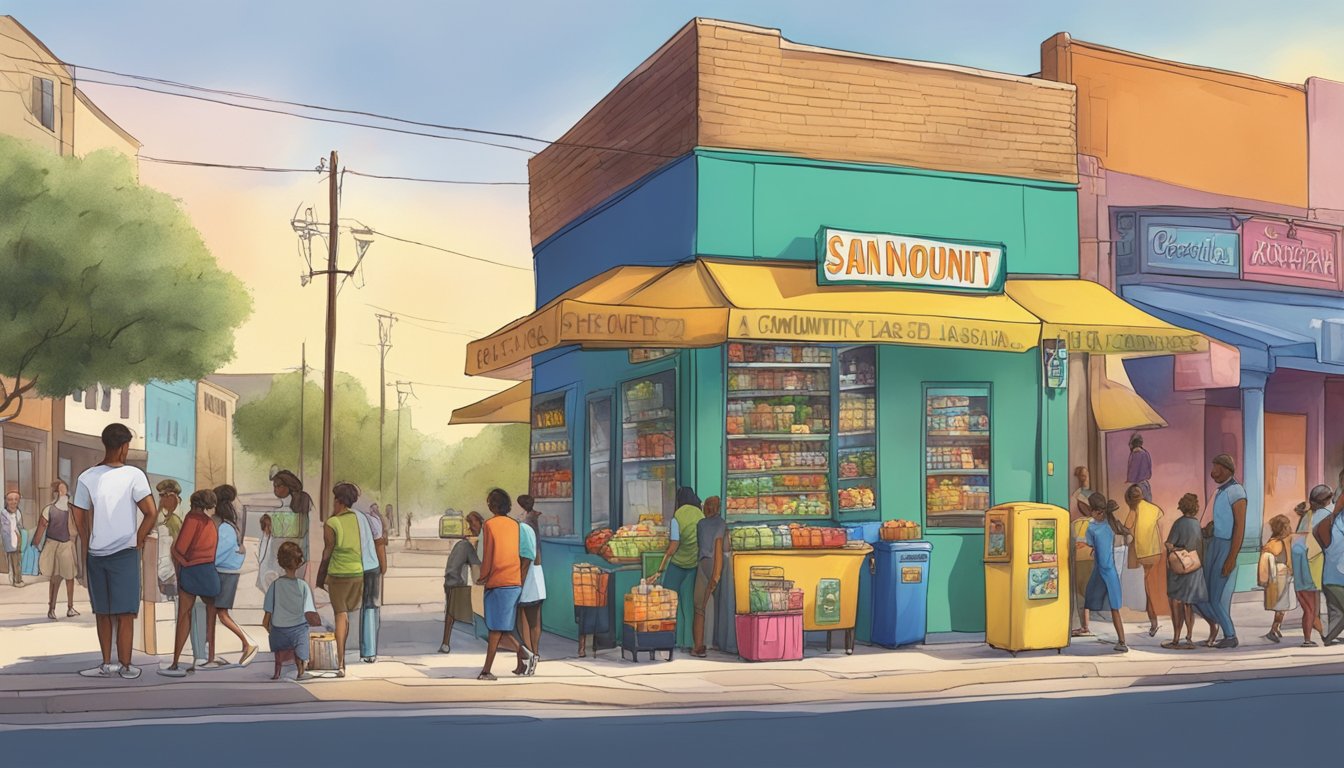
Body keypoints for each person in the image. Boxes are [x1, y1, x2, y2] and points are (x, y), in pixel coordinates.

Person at [71, 423, 157, 680]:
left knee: (104, 613)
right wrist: (138, 540)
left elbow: (78, 515)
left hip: (96, 554)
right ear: (123, 447)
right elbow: (150, 512)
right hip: (125, 554)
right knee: (126, 612)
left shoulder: (86, 477)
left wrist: (88, 540)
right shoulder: (134, 475)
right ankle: (127, 666)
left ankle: (107, 663)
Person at [477, 488, 536, 681]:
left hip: (497, 581)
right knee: (499, 629)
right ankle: (523, 655)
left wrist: (482, 576)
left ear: (491, 505)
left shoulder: (489, 525)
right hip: (514, 581)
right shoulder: (515, 525)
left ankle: (487, 670)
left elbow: (489, 554)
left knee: (495, 630)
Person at [160, 489, 220, 677]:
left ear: (196, 505)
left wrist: (180, 559)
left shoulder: (192, 519)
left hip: (192, 571)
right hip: (209, 572)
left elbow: (180, 548)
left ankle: (176, 662)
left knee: (184, 615)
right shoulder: (211, 523)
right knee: (210, 616)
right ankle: (209, 658)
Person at [1195, 454, 1247, 649]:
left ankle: (1230, 635)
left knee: (1215, 597)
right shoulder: (1219, 491)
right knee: (1201, 596)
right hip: (1212, 545)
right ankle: (1219, 630)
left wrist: (1231, 557)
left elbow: (1239, 528)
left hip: (1226, 547)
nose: (1213, 472)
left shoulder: (1237, 491)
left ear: (1226, 469)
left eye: (1217, 467)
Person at [317, 482, 365, 678]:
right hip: (358, 573)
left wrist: (320, 577)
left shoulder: (332, 523)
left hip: (338, 574)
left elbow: (327, 552)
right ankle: (345, 655)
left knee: (340, 616)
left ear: (338, 501)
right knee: (347, 616)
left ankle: (341, 662)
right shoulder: (360, 520)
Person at [206, 485, 257, 668]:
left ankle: (246, 642)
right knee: (216, 613)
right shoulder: (230, 525)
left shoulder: (221, 526)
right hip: (228, 573)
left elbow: (218, 552)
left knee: (217, 613)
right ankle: (211, 655)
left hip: (221, 573)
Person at [652, 487, 704, 648]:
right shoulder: (700, 515)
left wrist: (661, 566)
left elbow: (674, 544)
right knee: (688, 605)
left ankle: (670, 638)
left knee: (669, 600)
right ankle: (687, 641)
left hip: (678, 564)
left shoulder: (677, 517)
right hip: (694, 564)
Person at [263, 541, 320, 680]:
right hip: (297, 634)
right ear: (299, 563)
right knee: (302, 630)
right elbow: (309, 613)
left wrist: (271, 629)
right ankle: (301, 669)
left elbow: (266, 617)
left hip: (278, 635)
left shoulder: (275, 586)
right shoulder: (303, 586)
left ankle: (277, 672)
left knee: (291, 630)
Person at [1084, 493, 1129, 653]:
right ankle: (1122, 640)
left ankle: (1083, 626)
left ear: (1096, 511)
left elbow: (1091, 544)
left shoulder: (1092, 528)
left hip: (1102, 570)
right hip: (1110, 571)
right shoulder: (1111, 524)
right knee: (1114, 607)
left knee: (1087, 597)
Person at [1163, 493, 1207, 650]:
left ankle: (1176, 638)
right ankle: (1189, 637)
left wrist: (1170, 547)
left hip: (1179, 571)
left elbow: (1170, 544)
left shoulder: (1179, 524)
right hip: (1194, 569)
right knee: (1188, 604)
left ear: (1182, 507)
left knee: (1176, 604)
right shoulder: (1196, 524)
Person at [1123, 484, 1165, 637]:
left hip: (1142, 553)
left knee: (1148, 590)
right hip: (1156, 553)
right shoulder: (1155, 509)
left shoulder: (1134, 510)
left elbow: (1127, 528)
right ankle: (1155, 621)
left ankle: (1153, 622)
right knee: (1155, 587)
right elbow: (1161, 531)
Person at [440, 511, 483, 654]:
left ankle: (445, 643)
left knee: (450, 613)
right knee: (454, 612)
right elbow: (477, 573)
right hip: (456, 582)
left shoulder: (462, 544)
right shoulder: (468, 547)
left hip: (450, 581)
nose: (473, 527)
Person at [35, 481, 79, 619]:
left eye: (64, 489)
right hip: (53, 544)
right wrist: (36, 542)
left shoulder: (71, 510)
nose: (62, 492)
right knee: (55, 578)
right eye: (60, 490)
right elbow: (41, 526)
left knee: (70, 577)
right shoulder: (49, 509)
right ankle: (51, 608)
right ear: (55, 493)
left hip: (66, 544)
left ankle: (70, 607)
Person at [692, 496, 727, 658]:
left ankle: (698, 645)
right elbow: (718, 547)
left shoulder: (700, 524)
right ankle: (717, 643)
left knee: (699, 608)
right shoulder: (721, 523)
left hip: (703, 564)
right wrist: (717, 575)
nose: (708, 508)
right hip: (715, 565)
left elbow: (704, 546)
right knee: (720, 606)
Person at [355, 497, 388, 663]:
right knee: (370, 607)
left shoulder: (348, 517)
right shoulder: (373, 520)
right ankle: (369, 651)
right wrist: (383, 566)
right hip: (371, 566)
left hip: (352, 567)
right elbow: (379, 545)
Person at [515, 494, 545, 671]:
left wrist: (519, 581)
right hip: (537, 574)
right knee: (535, 619)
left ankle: (530, 655)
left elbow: (526, 558)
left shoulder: (524, 526)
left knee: (523, 619)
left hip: (529, 576)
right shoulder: (534, 522)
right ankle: (536, 653)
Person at [1312, 478, 1344, 645]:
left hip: (1330, 576)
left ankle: (1329, 637)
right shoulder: (1329, 518)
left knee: (1336, 610)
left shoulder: (1324, 519)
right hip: (1338, 576)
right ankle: (1329, 637)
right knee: (1338, 609)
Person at [1259, 514, 1297, 643]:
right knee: (1281, 606)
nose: (1289, 528)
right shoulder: (1278, 543)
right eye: (1287, 525)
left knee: (1281, 606)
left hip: (1279, 577)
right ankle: (1273, 629)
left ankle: (1277, 628)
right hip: (1280, 577)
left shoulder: (1275, 541)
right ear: (1283, 528)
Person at [1294, 499, 1326, 645]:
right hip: (1310, 580)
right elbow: (1314, 555)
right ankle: (1308, 639)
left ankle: (1323, 634)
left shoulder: (1296, 542)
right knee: (1311, 611)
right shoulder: (1310, 543)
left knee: (1309, 610)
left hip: (1300, 581)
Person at [1070, 475, 1095, 638]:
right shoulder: (1083, 523)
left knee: (1082, 594)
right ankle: (1084, 625)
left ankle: (1085, 625)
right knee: (1083, 594)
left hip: (1083, 562)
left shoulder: (1081, 523)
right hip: (1085, 561)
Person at [2, 491, 25, 587]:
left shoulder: (18, 512)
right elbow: (5, 529)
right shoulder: (3, 514)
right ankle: (16, 580)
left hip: (18, 539)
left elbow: (20, 526)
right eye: (10, 499)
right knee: (13, 560)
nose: (13, 502)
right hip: (9, 540)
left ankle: (17, 579)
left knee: (17, 560)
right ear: (6, 501)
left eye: (16, 499)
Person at [1127, 432, 1153, 502]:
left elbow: (1133, 472)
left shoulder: (1135, 454)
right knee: (1148, 505)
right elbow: (1149, 471)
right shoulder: (1145, 453)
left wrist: (1129, 480)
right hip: (1145, 484)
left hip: (1138, 486)